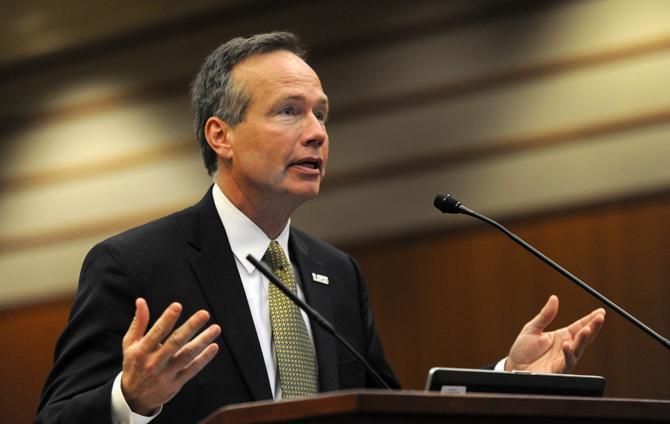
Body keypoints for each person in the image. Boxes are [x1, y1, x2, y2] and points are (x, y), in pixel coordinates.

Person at [35, 32, 606, 424]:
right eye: (289, 112)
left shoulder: (336, 273)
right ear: (221, 136)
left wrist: (506, 377)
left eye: (321, 114)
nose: (316, 133)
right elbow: (57, 416)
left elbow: (386, 408)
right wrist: (130, 399)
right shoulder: (135, 264)